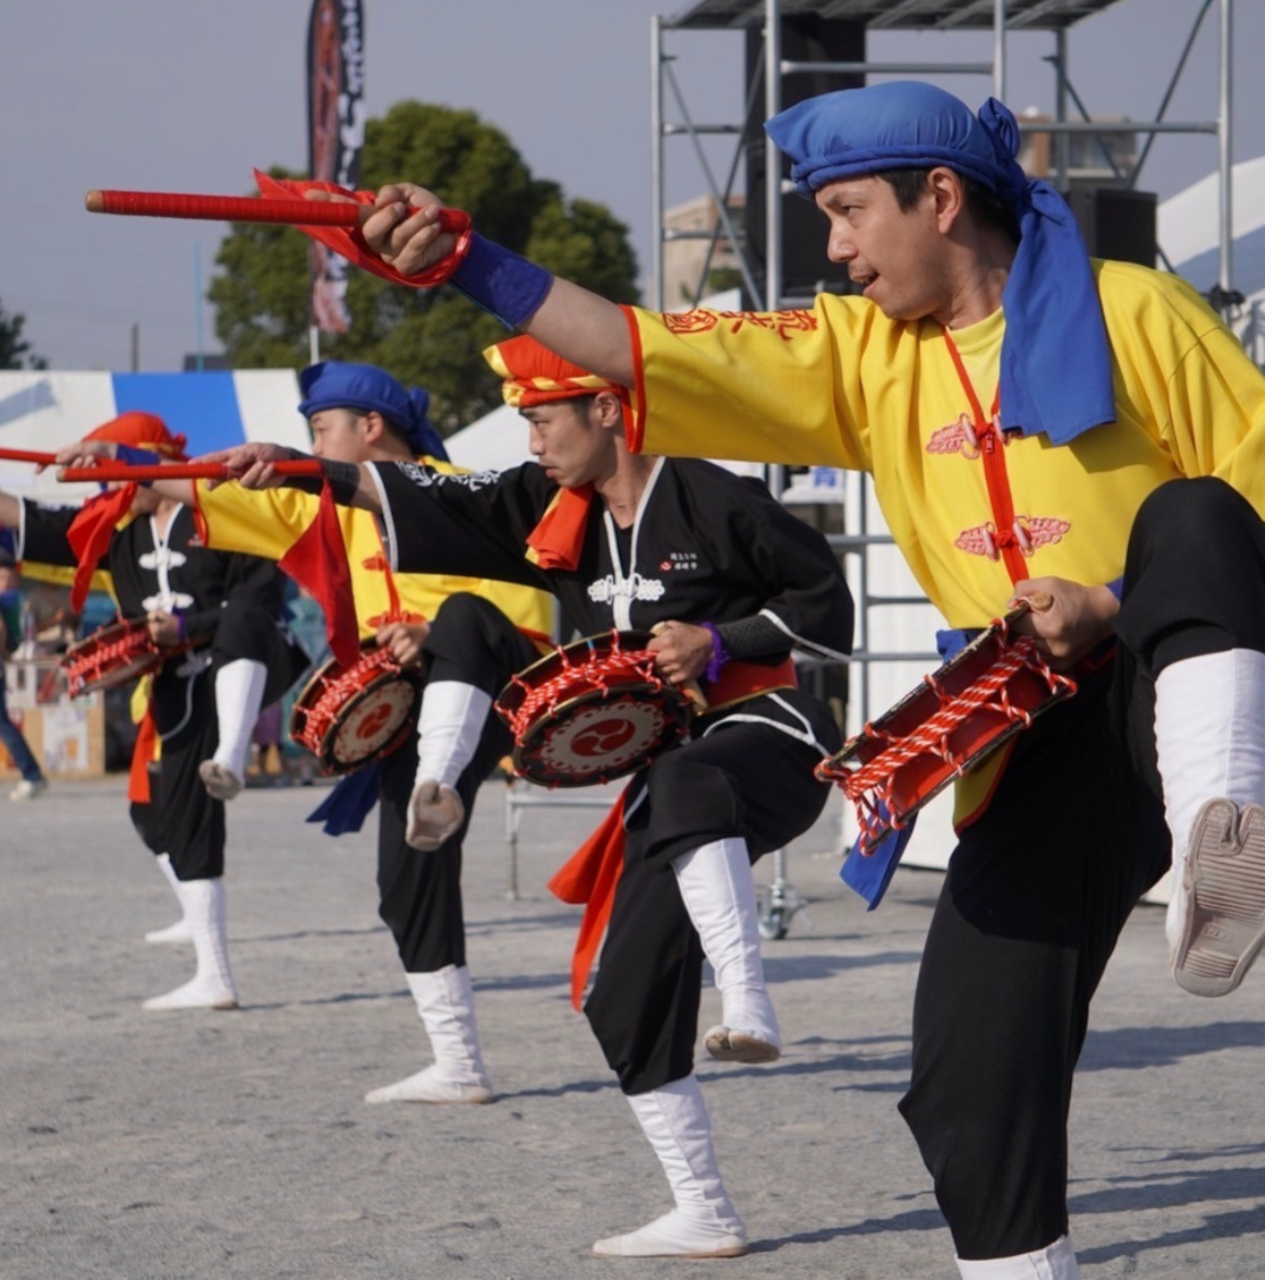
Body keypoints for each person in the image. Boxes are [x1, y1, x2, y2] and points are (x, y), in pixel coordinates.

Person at [294, 80, 1265, 1277]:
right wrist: (466, 260)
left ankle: (1227, 823)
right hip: (1019, 718)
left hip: (1192, 667)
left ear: (942, 197)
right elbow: (637, 343)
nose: (836, 248)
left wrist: (1109, 599)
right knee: (967, 1077)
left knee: (1195, 511)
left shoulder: (1139, 311)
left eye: (849, 212)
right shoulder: (857, 356)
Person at [202, 335, 852, 1259]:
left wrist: (717, 638)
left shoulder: (714, 496)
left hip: (765, 737)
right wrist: (302, 469)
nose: (532, 440)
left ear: (605, 410)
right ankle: (704, 1209)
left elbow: (829, 609)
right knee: (618, 993)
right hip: (662, 769)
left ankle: (748, 1003)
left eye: (543, 419)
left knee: (682, 779)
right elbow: (424, 490)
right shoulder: (552, 507)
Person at [121, 360, 554, 1105]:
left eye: (321, 429)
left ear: (370, 427)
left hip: (490, 677)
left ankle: (441, 774)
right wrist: (114, 461)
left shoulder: (466, 489)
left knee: (458, 621)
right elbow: (188, 489)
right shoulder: (324, 507)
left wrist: (427, 630)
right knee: (404, 882)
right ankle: (459, 1066)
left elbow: (517, 610)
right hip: (405, 708)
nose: (312, 443)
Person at [3, 411, 304, 1010]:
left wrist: (190, 624)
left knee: (192, 808)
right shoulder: (116, 529)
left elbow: (262, 601)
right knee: (152, 811)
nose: (110, 488)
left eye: (120, 472)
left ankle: (232, 758)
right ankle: (202, 927)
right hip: (171, 685)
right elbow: (22, 517)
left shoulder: (224, 508)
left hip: (240, 663)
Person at [0, 550, 49, 800]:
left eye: (7, 579)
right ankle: (32, 774)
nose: (5, 584)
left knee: (2, 723)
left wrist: (5, 658)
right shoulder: (15, 600)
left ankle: (32, 775)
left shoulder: (7, 600)